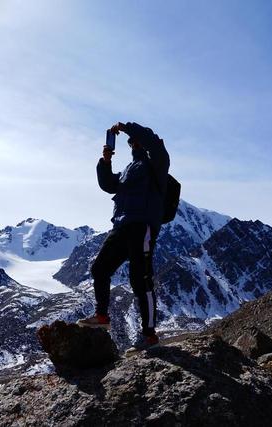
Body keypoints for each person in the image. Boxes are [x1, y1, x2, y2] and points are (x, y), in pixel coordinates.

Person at [78, 121, 170, 351]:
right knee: (100, 269)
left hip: (142, 226)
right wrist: (105, 162)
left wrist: (128, 127)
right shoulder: (130, 169)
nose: (132, 143)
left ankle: (149, 335)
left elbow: (154, 142)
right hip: (121, 226)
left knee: (141, 280)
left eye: (135, 140)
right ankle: (102, 316)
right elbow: (109, 185)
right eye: (131, 141)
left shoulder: (156, 164)